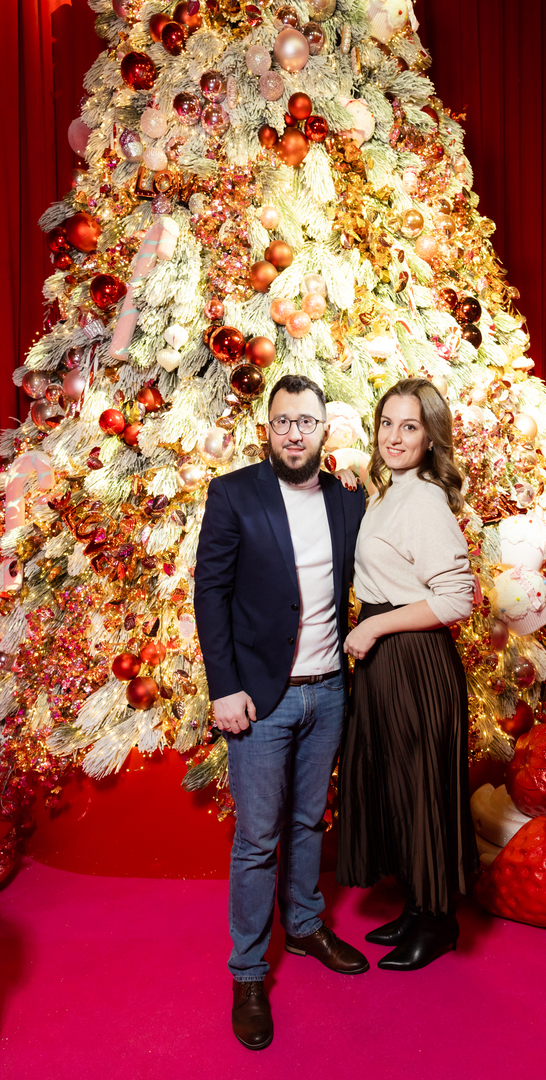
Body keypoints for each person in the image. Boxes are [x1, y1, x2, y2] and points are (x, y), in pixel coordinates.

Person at [194, 374, 368, 1052]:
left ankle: (304, 925)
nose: (295, 433)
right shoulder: (234, 493)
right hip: (261, 698)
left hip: (329, 691)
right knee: (258, 837)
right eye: (283, 421)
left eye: (307, 422)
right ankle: (247, 973)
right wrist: (224, 687)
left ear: (325, 430)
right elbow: (211, 593)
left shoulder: (347, 498)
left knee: (307, 820)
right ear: (267, 428)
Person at [336, 377, 478, 971]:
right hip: (389, 659)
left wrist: (373, 628)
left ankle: (439, 922)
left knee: (421, 788)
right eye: (387, 423)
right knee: (399, 784)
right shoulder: (390, 492)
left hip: (413, 659)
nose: (394, 437)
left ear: (431, 437)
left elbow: (459, 597)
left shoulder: (423, 500)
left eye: (410, 426)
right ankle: (418, 906)